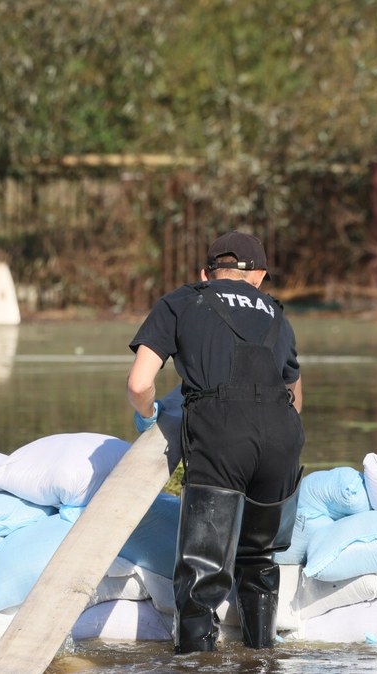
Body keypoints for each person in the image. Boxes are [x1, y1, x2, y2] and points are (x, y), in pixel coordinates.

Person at [126, 230, 304, 653]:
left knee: (203, 568)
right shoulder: (279, 315)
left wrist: (147, 413)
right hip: (282, 440)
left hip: (221, 434)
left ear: (205, 273)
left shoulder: (183, 299)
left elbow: (139, 382)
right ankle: (262, 656)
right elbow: (295, 397)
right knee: (260, 562)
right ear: (259, 277)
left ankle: (195, 662)